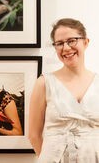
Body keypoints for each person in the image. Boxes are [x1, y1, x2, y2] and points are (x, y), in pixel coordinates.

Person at [28, 18, 99, 162]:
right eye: (59, 43)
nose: (66, 48)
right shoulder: (44, 83)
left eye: (72, 40)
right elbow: (34, 135)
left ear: (85, 42)